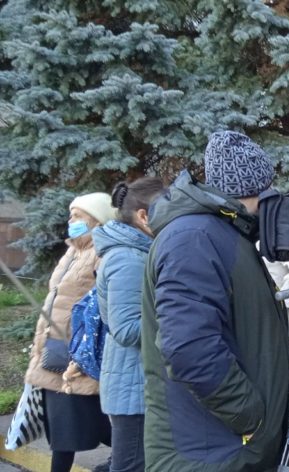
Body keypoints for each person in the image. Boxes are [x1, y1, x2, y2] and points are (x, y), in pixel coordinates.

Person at [140, 131, 289, 471]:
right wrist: (250, 417)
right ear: (257, 186)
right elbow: (188, 349)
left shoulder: (220, 232)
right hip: (209, 452)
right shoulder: (194, 238)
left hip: (220, 447)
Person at [25, 192, 116, 472]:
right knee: (68, 426)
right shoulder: (74, 251)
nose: (70, 220)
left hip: (78, 355)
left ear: (95, 219)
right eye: (70, 215)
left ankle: (137, 457)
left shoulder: (102, 253)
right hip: (54, 350)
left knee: (83, 424)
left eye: (77, 216)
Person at [93, 178, 165, 472]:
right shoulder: (128, 259)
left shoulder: (136, 252)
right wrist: (179, 320)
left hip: (137, 385)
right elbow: (126, 329)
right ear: (143, 216)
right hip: (134, 392)